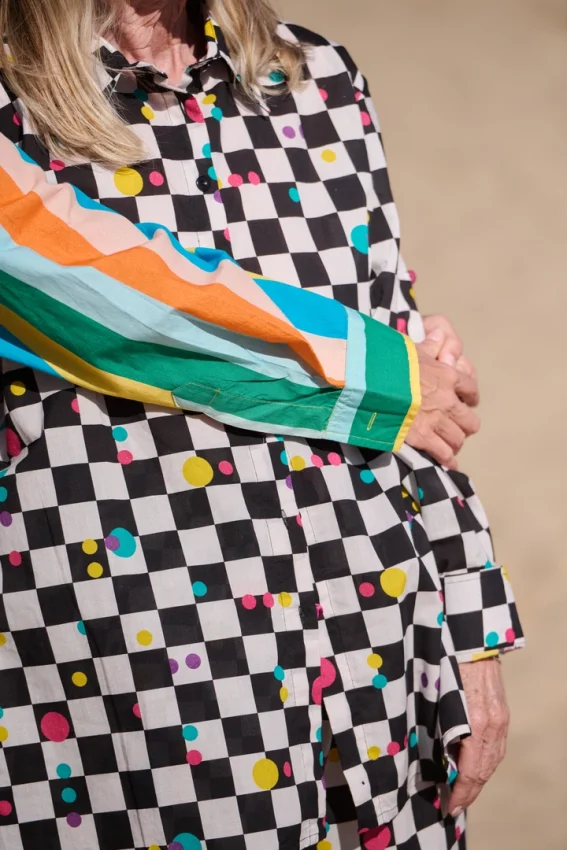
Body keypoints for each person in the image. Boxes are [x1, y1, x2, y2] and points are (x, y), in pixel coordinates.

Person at [0, 2, 523, 849]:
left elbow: (416, 386)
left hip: (378, 638)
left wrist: (472, 631)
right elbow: (105, 302)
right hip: (136, 664)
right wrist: (370, 371)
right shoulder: (12, 92)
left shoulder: (313, 76)